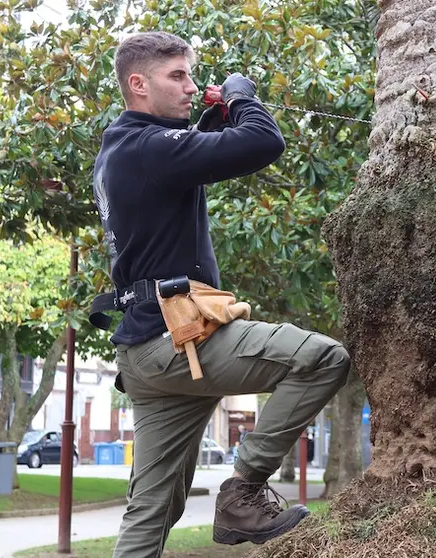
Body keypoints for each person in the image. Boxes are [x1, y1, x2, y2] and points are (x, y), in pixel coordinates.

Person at [91, 31, 350, 557]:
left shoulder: (126, 149)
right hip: (175, 341)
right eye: (178, 76)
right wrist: (240, 96)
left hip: (147, 350)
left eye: (192, 74)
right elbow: (262, 142)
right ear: (138, 84)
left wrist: (217, 114)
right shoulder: (146, 149)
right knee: (322, 360)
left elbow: (196, 150)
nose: (191, 86)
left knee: (153, 509)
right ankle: (243, 492)